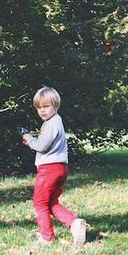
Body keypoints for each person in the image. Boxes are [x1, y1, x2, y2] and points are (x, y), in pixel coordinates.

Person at [22, 86, 86, 245]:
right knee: (51, 202)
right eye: (39, 107)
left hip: (49, 169)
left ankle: (47, 237)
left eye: (46, 106)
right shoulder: (55, 121)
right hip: (60, 167)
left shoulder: (51, 123)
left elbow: (42, 146)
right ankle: (74, 223)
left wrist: (29, 139)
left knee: (40, 203)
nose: (42, 110)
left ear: (56, 106)